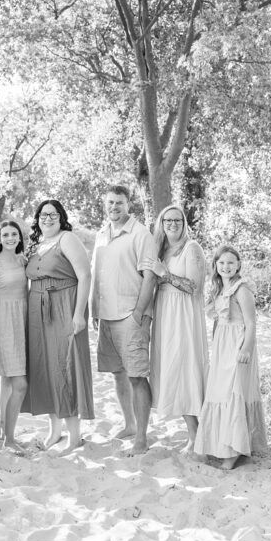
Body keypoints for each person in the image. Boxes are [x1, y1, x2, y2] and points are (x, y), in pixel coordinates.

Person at [22, 199, 94, 454]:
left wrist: (79, 314)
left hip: (64, 305)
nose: (48, 219)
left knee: (66, 367)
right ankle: (54, 432)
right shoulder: (36, 244)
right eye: (43, 214)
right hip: (37, 309)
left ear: (61, 217)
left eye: (53, 214)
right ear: (37, 218)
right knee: (44, 368)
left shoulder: (67, 239)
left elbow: (85, 275)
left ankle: (74, 436)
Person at [90, 185, 157, 456]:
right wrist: (94, 310)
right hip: (106, 315)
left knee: (137, 376)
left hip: (131, 314)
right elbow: (97, 274)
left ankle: (142, 437)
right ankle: (129, 424)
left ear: (128, 204)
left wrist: (139, 313)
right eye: (110, 202)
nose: (114, 207)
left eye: (119, 202)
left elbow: (150, 276)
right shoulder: (101, 235)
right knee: (118, 373)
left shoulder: (140, 234)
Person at [194, 245, 267, 469]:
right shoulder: (219, 289)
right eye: (222, 262)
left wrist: (246, 349)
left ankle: (234, 452)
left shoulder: (242, 289)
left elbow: (251, 323)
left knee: (234, 392)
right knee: (219, 393)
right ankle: (221, 445)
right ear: (215, 265)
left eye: (230, 262)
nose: (226, 267)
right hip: (222, 347)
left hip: (238, 345)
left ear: (238, 265)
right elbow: (218, 321)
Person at [149, 204, 208, 451]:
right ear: (161, 224)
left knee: (185, 369)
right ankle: (194, 434)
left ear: (184, 224)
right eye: (168, 220)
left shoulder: (192, 248)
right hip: (165, 313)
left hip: (184, 315)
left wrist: (165, 274)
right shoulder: (160, 249)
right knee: (172, 370)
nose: (172, 224)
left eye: (177, 220)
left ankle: (196, 436)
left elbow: (195, 287)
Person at [0, 220, 29, 455]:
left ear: (20, 237)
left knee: (7, 381)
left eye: (14, 234)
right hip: (3, 321)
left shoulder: (23, 260)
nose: (10, 238)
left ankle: (3, 428)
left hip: (23, 319)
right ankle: (9, 439)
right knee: (20, 383)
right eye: (5, 235)